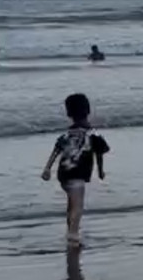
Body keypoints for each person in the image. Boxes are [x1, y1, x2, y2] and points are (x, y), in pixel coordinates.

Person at [41, 92, 109, 247]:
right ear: (88, 111)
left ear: (68, 113)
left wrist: (47, 168)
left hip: (63, 174)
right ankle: (73, 234)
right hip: (78, 175)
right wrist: (100, 171)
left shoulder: (67, 134)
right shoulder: (93, 134)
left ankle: (70, 229)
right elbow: (99, 153)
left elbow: (56, 150)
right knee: (78, 206)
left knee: (71, 204)